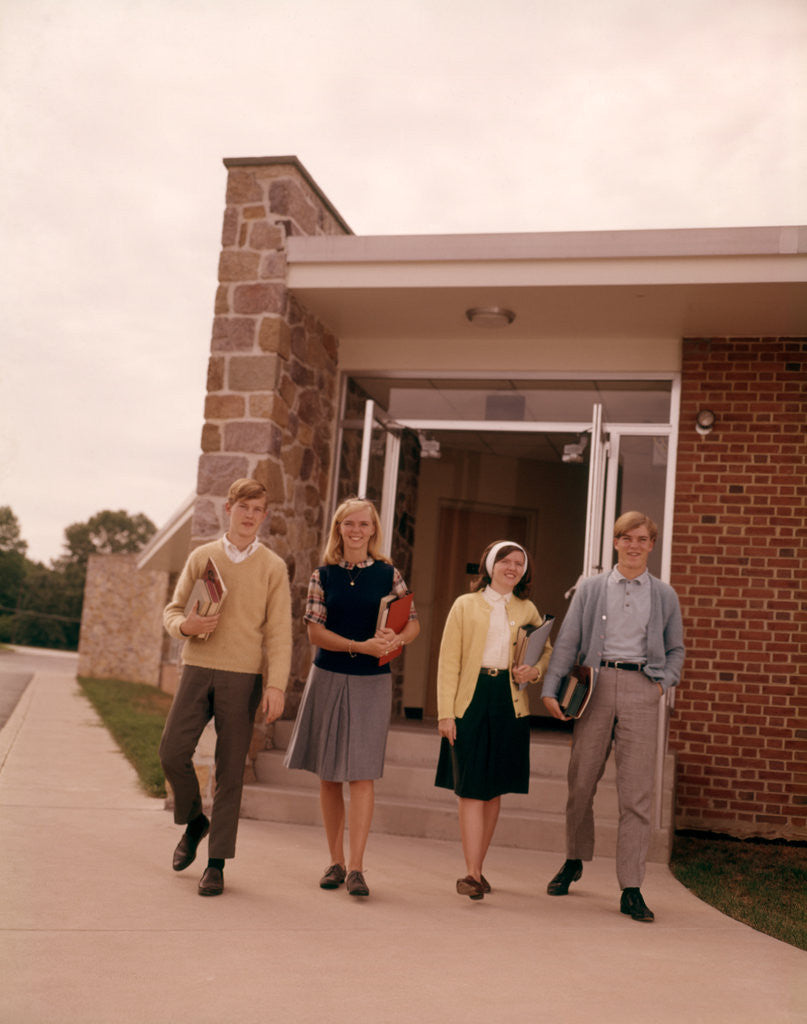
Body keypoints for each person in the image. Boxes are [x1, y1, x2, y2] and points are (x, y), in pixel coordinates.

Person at [541, 511, 684, 922]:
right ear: (616, 542)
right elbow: (568, 642)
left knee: (636, 793)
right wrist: (550, 688)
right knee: (581, 781)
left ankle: (631, 887)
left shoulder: (664, 595)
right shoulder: (591, 589)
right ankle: (573, 859)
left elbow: (675, 649)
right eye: (626, 538)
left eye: (642, 539)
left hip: (642, 688)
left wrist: (661, 685)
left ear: (651, 545)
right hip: (596, 688)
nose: (634, 545)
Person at [160, 478, 292, 897]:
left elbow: (279, 633)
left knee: (230, 771)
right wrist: (186, 626)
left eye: (258, 509)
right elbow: (172, 610)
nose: (250, 515)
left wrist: (276, 685)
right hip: (197, 668)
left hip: (243, 677)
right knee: (171, 752)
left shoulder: (273, 567)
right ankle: (195, 820)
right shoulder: (202, 557)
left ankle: (216, 864)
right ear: (228, 509)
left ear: (264, 515)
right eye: (243, 507)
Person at [283, 497, 420, 898]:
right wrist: (360, 647)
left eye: (364, 524)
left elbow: (412, 625)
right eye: (349, 523)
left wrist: (396, 638)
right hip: (328, 676)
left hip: (372, 683)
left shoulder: (389, 574)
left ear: (373, 529)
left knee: (361, 775)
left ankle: (357, 867)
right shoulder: (322, 575)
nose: (356, 530)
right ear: (338, 528)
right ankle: (335, 862)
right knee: (329, 775)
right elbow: (315, 633)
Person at [435, 541, 553, 900]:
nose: (512, 568)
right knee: (471, 788)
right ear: (489, 565)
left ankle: (477, 869)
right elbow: (448, 662)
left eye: (519, 563)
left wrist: (533, 671)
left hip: (509, 701)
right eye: (505, 561)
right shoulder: (465, 605)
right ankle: (472, 873)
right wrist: (445, 713)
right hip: (471, 701)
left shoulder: (527, 609)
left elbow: (545, 651)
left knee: (494, 790)